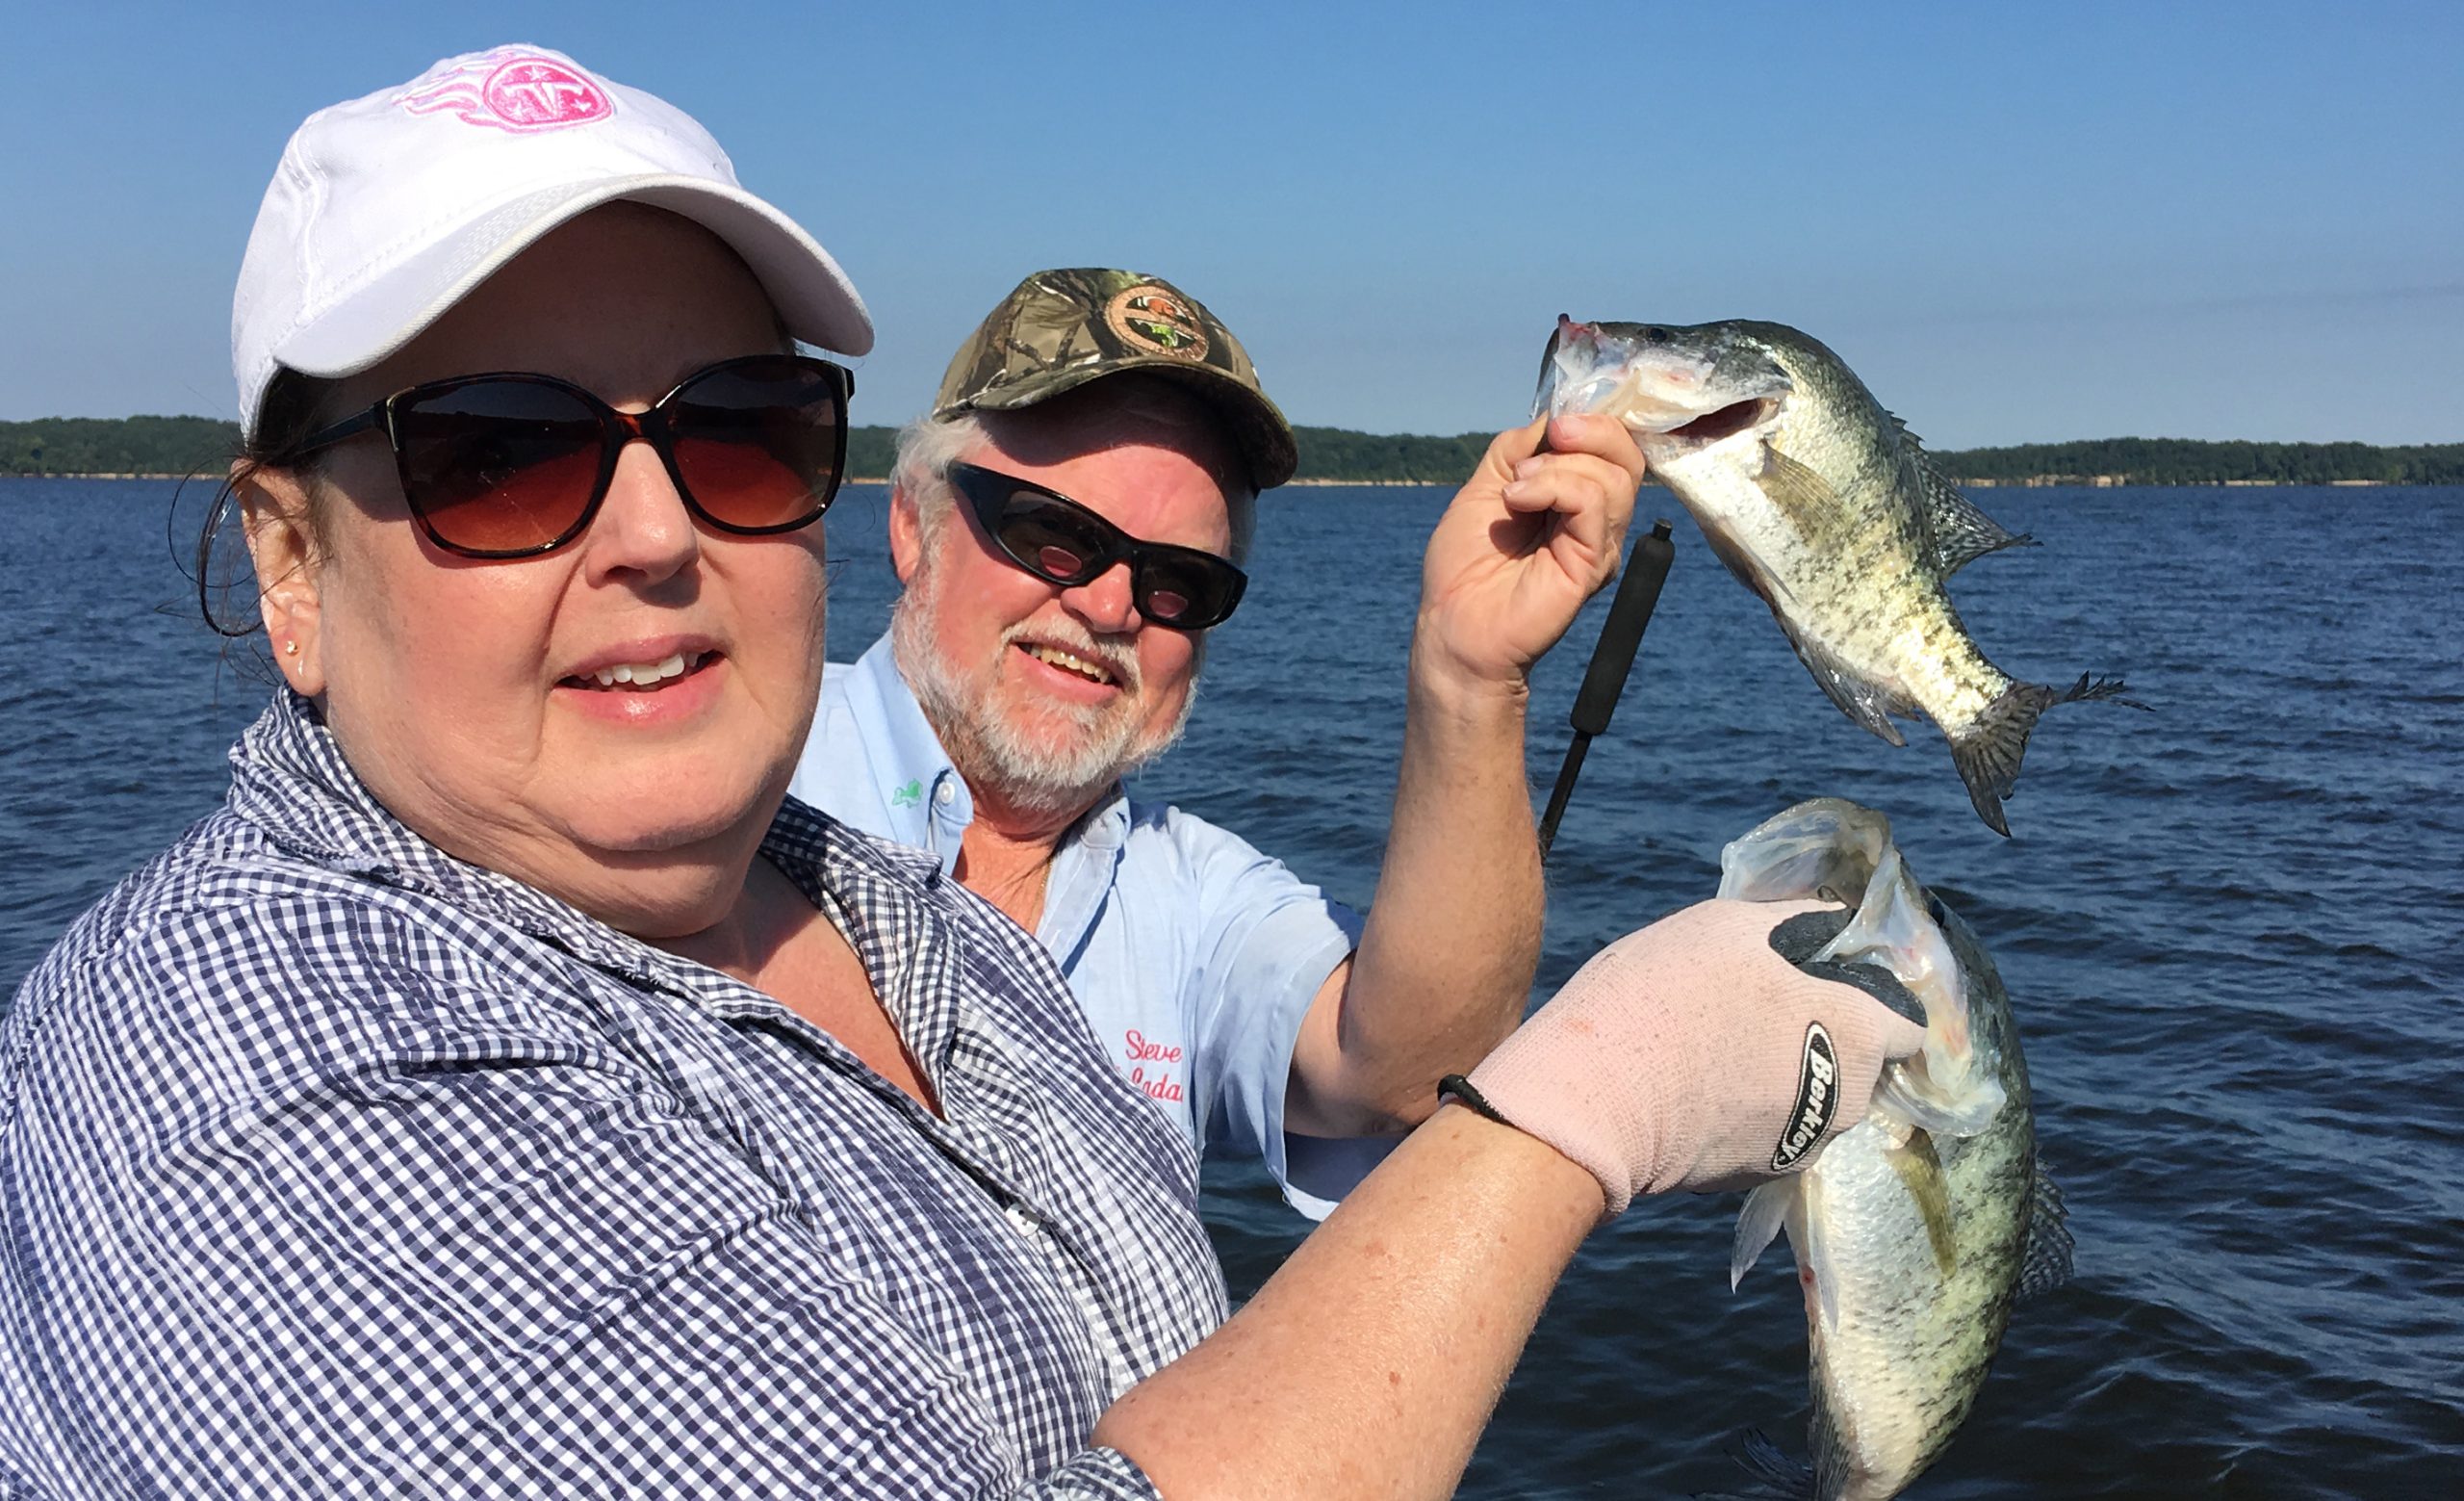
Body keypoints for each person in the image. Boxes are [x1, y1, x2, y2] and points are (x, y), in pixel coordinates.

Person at [0, 45, 1926, 1500]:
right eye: (494, 453)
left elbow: (1389, 1058)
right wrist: (1576, 1108)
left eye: (742, 433)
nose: (658, 537)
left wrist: (1461, 679)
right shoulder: (239, 1062)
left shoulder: (902, 911)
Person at [790, 268, 1621, 1212]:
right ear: (913, 524)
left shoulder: (1192, 901)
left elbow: (1403, 1069)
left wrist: (1469, 675)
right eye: (1051, 535)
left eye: (1177, 581)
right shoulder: (736, 773)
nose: (1108, 606)